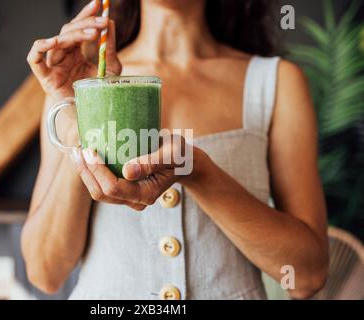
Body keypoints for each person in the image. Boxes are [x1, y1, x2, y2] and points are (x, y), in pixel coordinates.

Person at [22, 0, 329, 300]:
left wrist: (200, 173)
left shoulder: (276, 82)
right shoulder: (81, 84)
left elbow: (307, 276)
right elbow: (45, 274)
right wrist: (86, 117)